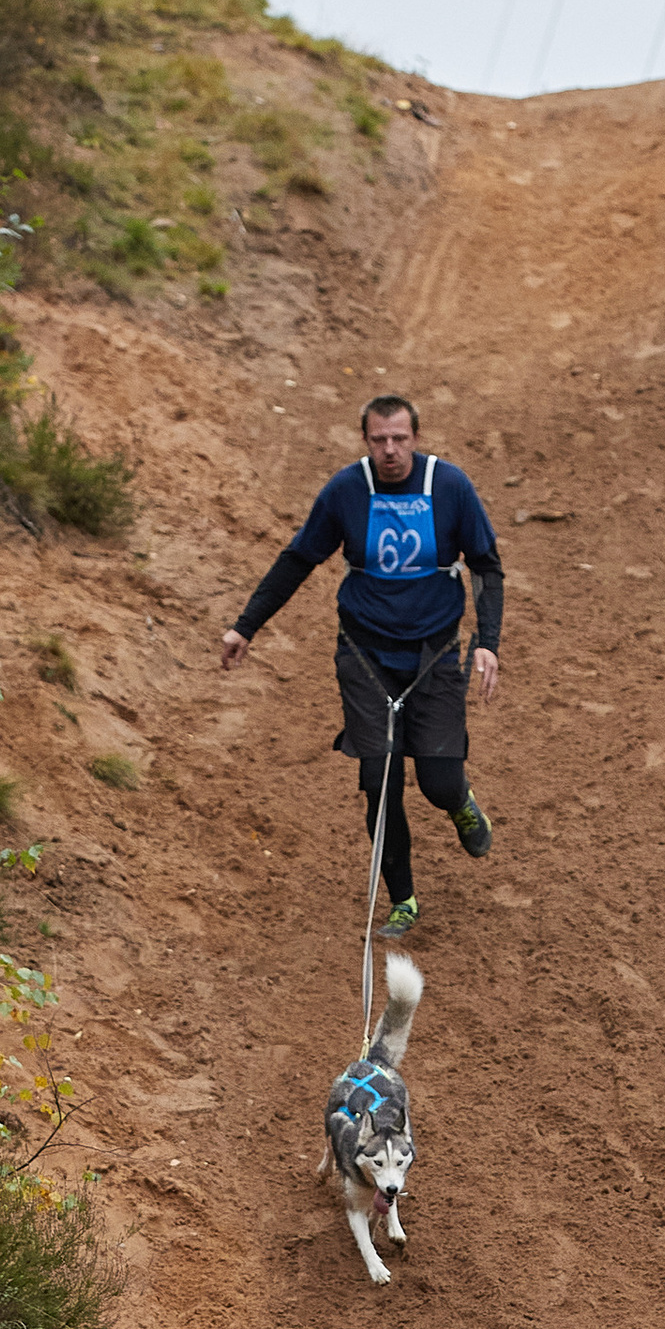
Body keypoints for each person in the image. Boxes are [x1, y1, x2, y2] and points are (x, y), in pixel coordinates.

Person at [221, 395, 504, 934]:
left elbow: (487, 566)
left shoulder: (450, 487)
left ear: (416, 438)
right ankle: (404, 899)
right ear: (366, 441)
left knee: (437, 781)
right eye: (379, 441)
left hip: (435, 654)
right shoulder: (347, 491)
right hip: (365, 654)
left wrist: (486, 641)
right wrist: (246, 625)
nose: (390, 450)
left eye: (399, 439)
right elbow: (299, 558)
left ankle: (461, 804)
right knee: (380, 777)